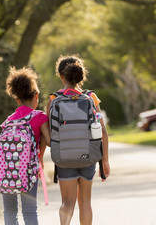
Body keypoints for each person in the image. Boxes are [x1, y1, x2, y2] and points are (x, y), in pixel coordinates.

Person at [47, 55, 110, 225]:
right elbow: (102, 131)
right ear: (81, 75)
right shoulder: (91, 97)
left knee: (67, 202)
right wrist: (105, 160)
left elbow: (51, 132)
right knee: (85, 203)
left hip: (64, 158)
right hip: (87, 157)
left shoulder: (53, 99)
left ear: (61, 76)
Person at [3, 66, 50, 225]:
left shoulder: (9, 120)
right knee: (29, 211)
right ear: (36, 95)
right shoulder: (40, 117)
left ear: (17, 99)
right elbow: (50, 140)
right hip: (28, 169)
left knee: (9, 211)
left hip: (7, 170)